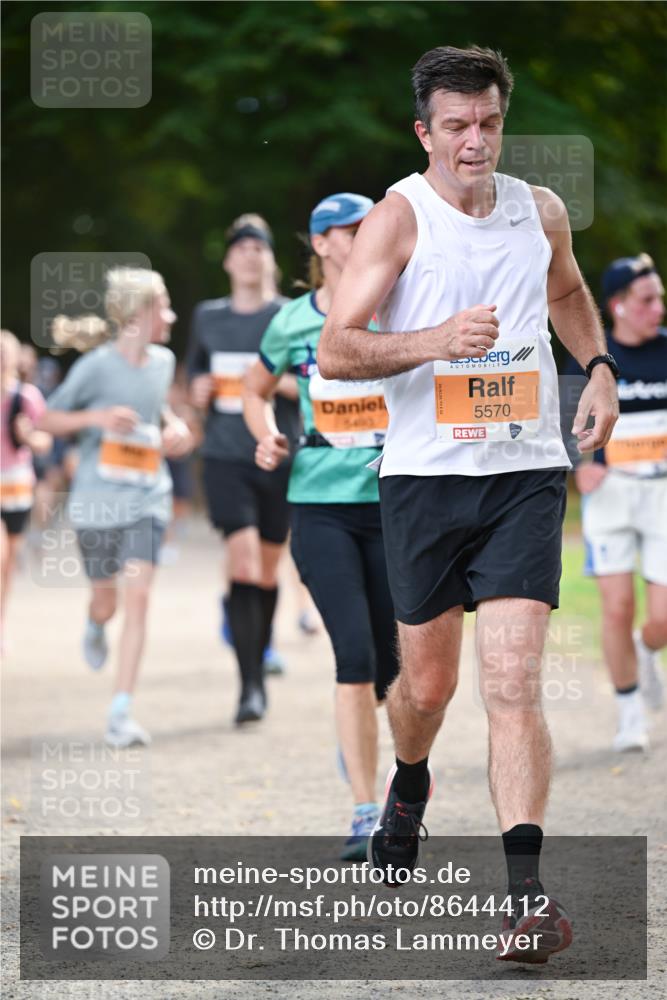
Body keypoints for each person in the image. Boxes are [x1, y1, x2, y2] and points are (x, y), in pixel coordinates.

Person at [317, 45, 619, 962]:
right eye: (455, 126)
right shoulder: (397, 220)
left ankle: (524, 900)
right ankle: (409, 781)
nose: (474, 141)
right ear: (426, 131)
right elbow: (336, 350)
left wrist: (596, 367)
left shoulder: (542, 211)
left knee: (512, 683)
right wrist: (436, 339)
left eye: (487, 122)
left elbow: (566, 292)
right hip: (424, 479)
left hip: (525, 473)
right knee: (429, 688)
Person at [243, 193, 400, 860]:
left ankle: (375, 753)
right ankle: (367, 810)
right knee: (355, 658)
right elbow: (253, 389)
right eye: (349, 229)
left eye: (369, 225)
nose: (364, 235)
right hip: (321, 507)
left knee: (398, 673)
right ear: (321, 244)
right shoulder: (291, 321)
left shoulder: (400, 308)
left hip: (399, 506)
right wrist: (266, 436)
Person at [37, 268, 192, 746]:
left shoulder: (163, 362)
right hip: (96, 503)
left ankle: (121, 710)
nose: (171, 314)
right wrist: (95, 417)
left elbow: (158, 411)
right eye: (163, 305)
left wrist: (176, 429)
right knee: (107, 600)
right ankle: (95, 621)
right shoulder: (96, 366)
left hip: (148, 494)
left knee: (139, 595)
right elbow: (46, 416)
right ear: (138, 312)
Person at [187, 214, 300, 724]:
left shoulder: (288, 315)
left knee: (269, 570)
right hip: (224, 456)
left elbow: (311, 382)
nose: (251, 255)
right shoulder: (208, 317)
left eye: (260, 247)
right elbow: (193, 379)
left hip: (278, 453)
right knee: (245, 564)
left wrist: (262, 386)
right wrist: (197, 392)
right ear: (229, 259)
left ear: (269, 259)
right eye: (242, 247)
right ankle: (249, 686)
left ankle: (260, 655)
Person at [569, 254, 666, 751]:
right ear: (619, 307)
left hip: (663, 495)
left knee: (662, 616)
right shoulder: (593, 360)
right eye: (647, 300)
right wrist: (580, 464)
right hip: (611, 498)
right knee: (616, 605)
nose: (658, 308)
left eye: (659, 299)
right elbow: (563, 422)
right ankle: (630, 713)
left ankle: (644, 650)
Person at [1, 330, 52, 648]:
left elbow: (45, 442)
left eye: (5, 352)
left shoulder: (27, 397)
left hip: (17, 487)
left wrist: (30, 435)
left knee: (7, 565)